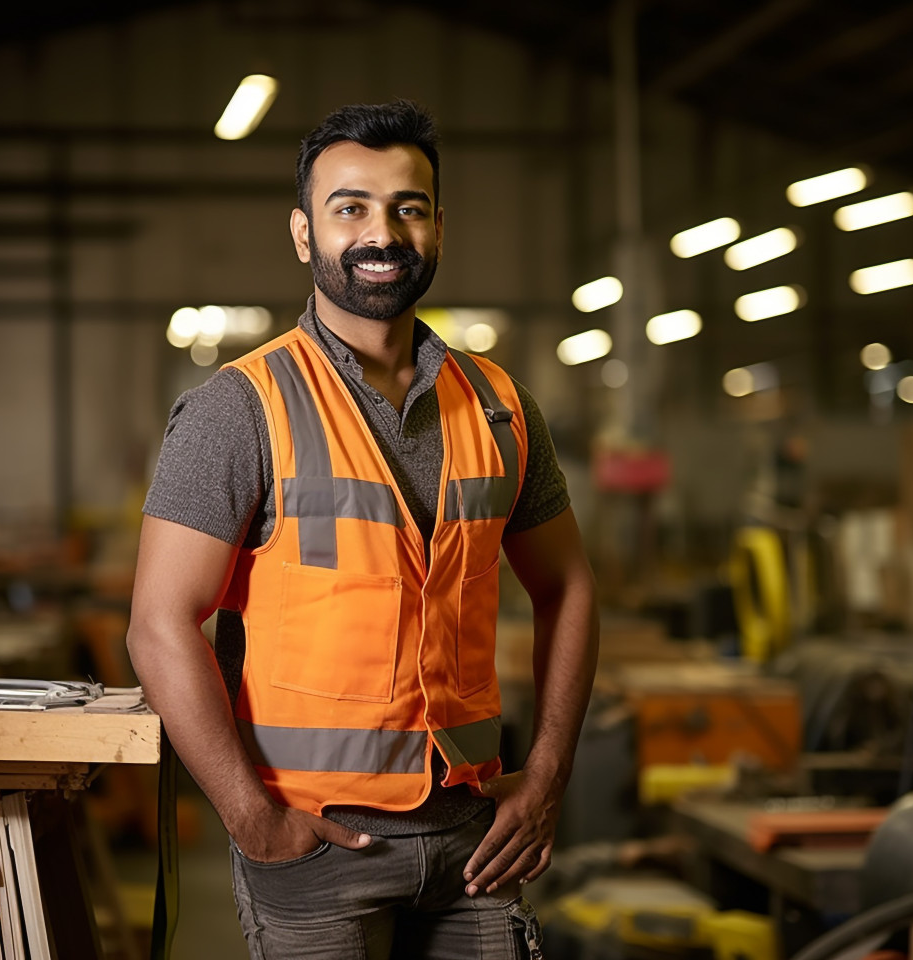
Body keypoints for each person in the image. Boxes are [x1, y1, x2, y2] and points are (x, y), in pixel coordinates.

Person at [127, 99, 598, 959]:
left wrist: (552, 774)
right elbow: (159, 625)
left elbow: (568, 587)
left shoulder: (498, 404)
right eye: (351, 208)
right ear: (304, 234)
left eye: (406, 208)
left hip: (477, 840)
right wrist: (252, 816)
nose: (381, 232)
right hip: (316, 844)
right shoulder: (241, 409)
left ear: (439, 229)